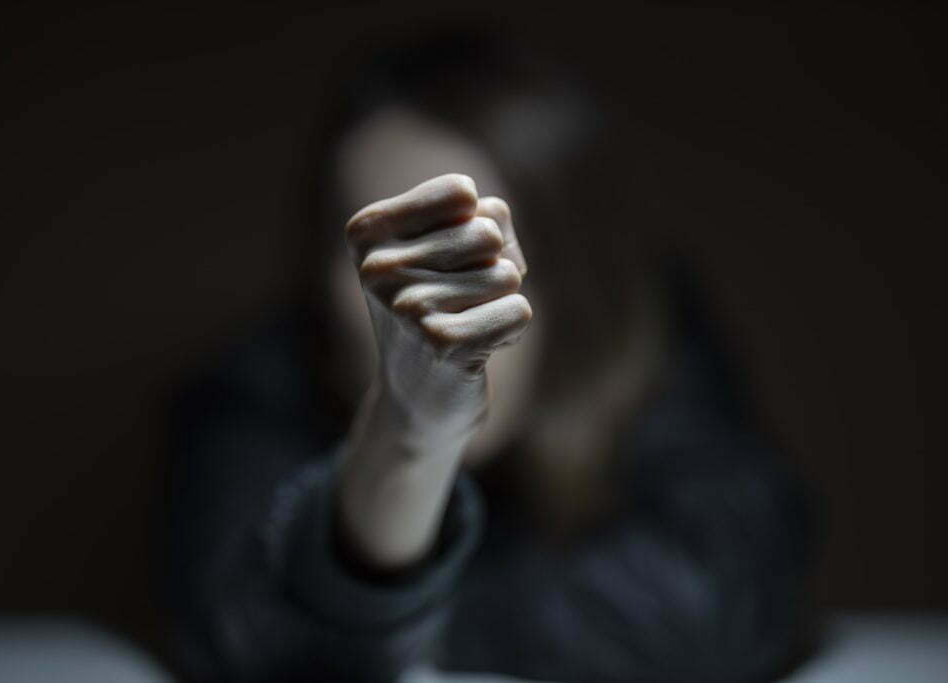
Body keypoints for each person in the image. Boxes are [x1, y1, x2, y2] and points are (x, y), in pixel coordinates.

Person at [163, 29, 815, 682]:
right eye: (381, 251)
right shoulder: (256, 386)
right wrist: (406, 435)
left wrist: (389, 614)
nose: (425, 298)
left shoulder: (653, 349)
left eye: (478, 249)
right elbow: (240, 632)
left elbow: (724, 601)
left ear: (572, 275)